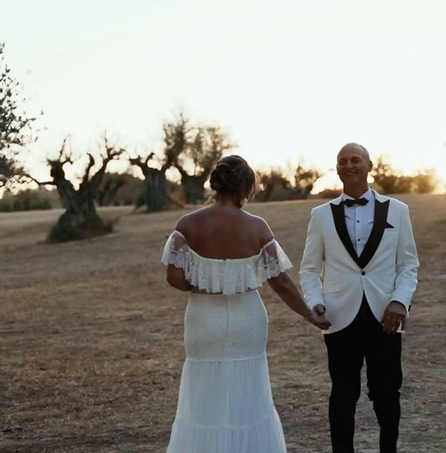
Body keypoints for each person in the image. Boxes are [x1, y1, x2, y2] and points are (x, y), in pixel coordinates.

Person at [161, 155, 330, 453]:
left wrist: (205, 286)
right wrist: (307, 314)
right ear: (245, 186)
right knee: (249, 391)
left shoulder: (188, 223)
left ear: (216, 185)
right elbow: (280, 282)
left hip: (203, 320)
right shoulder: (257, 227)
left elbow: (174, 276)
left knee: (204, 390)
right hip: (246, 320)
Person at [299, 143, 419, 453]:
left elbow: (408, 265)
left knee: (387, 394)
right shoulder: (321, 215)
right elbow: (310, 269)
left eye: (355, 160)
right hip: (338, 317)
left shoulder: (398, 210)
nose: (349, 166)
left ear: (369, 165)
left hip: (386, 317)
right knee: (342, 394)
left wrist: (399, 302)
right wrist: (315, 303)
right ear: (336, 169)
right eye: (342, 162)